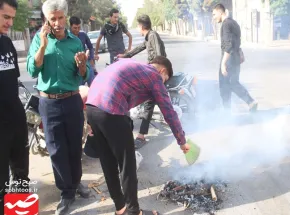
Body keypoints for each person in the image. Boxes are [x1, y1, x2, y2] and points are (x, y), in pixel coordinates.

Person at [86, 56, 190, 215]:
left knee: (109, 164)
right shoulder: (154, 75)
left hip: (93, 109)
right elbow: (168, 110)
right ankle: (134, 212)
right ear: (162, 71)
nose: (163, 83)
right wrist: (181, 140)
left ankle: (121, 209)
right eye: (165, 79)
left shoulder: (132, 65)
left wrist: (89, 120)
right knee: (127, 165)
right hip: (111, 110)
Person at [26, 0, 91, 214]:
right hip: (49, 102)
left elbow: (84, 74)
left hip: (72, 100)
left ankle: (76, 182)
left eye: (60, 17)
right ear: (47, 19)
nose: (57, 22)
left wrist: (82, 66)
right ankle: (66, 191)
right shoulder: (39, 38)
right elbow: (32, 70)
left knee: (75, 145)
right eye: (52, 19)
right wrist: (43, 46)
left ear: (65, 16)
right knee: (56, 149)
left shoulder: (75, 41)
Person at [0, 0, 30, 214]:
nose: (10, 22)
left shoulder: (7, 43)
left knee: (21, 173)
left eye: (12, 17)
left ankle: (21, 211)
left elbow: (12, 81)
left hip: (16, 119)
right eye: (6, 17)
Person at [120, 14, 167, 149]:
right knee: (153, 102)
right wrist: (125, 56)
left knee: (148, 103)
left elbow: (160, 56)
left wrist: (157, 73)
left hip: (157, 75)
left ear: (141, 26)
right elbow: (139, 48)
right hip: (153, 73)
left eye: (138, 27)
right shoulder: (148, 37)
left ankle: (141, 136)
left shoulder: (153, 36)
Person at [212, 4, 258, 112]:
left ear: (220, 12)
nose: (213, 17)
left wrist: (223, 63)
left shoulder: (226, 24)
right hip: (235, 59)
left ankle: (228, 113)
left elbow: (228, 45)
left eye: (214, 14)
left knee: (225, 86)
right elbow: (236, 42)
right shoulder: (234, 23)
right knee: (233, 83)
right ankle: (250, 102)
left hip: (229, 60)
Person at [69, 16, 95, 86]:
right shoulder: (67, 38)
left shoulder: (83, 35)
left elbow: (90, 47)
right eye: (75, 28)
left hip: (86, 62)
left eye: (79, 28)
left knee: (93, 85)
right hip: (74, 67)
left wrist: (92, 58)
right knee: (79, 88)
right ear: (70, 26)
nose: (77, 30)